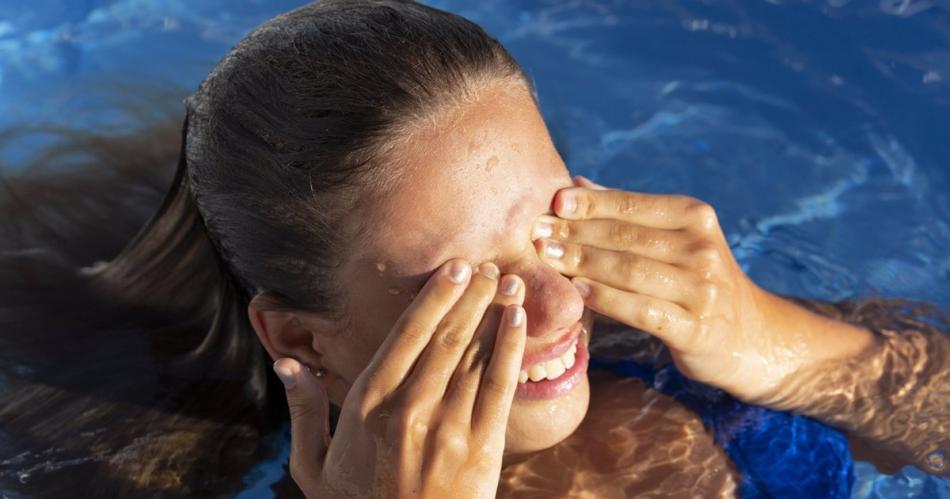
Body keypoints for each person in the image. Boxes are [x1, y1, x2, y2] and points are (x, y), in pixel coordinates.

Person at [1, 1, 946, 497]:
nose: (561, 305)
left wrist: (784, 346)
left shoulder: (671, 355)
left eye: (550, 225)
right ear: (308, 337)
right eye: (469, 281)